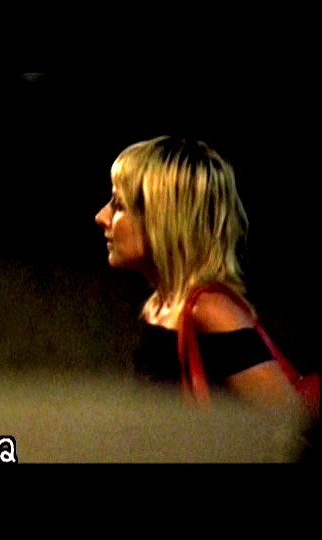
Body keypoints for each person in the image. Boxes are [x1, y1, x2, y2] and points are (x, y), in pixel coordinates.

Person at [94, 135, 304, 417]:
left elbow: (290, 421)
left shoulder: (210, 311)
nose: (101, 216)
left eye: (119, 205)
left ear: (163, 219)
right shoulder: (158, 307)